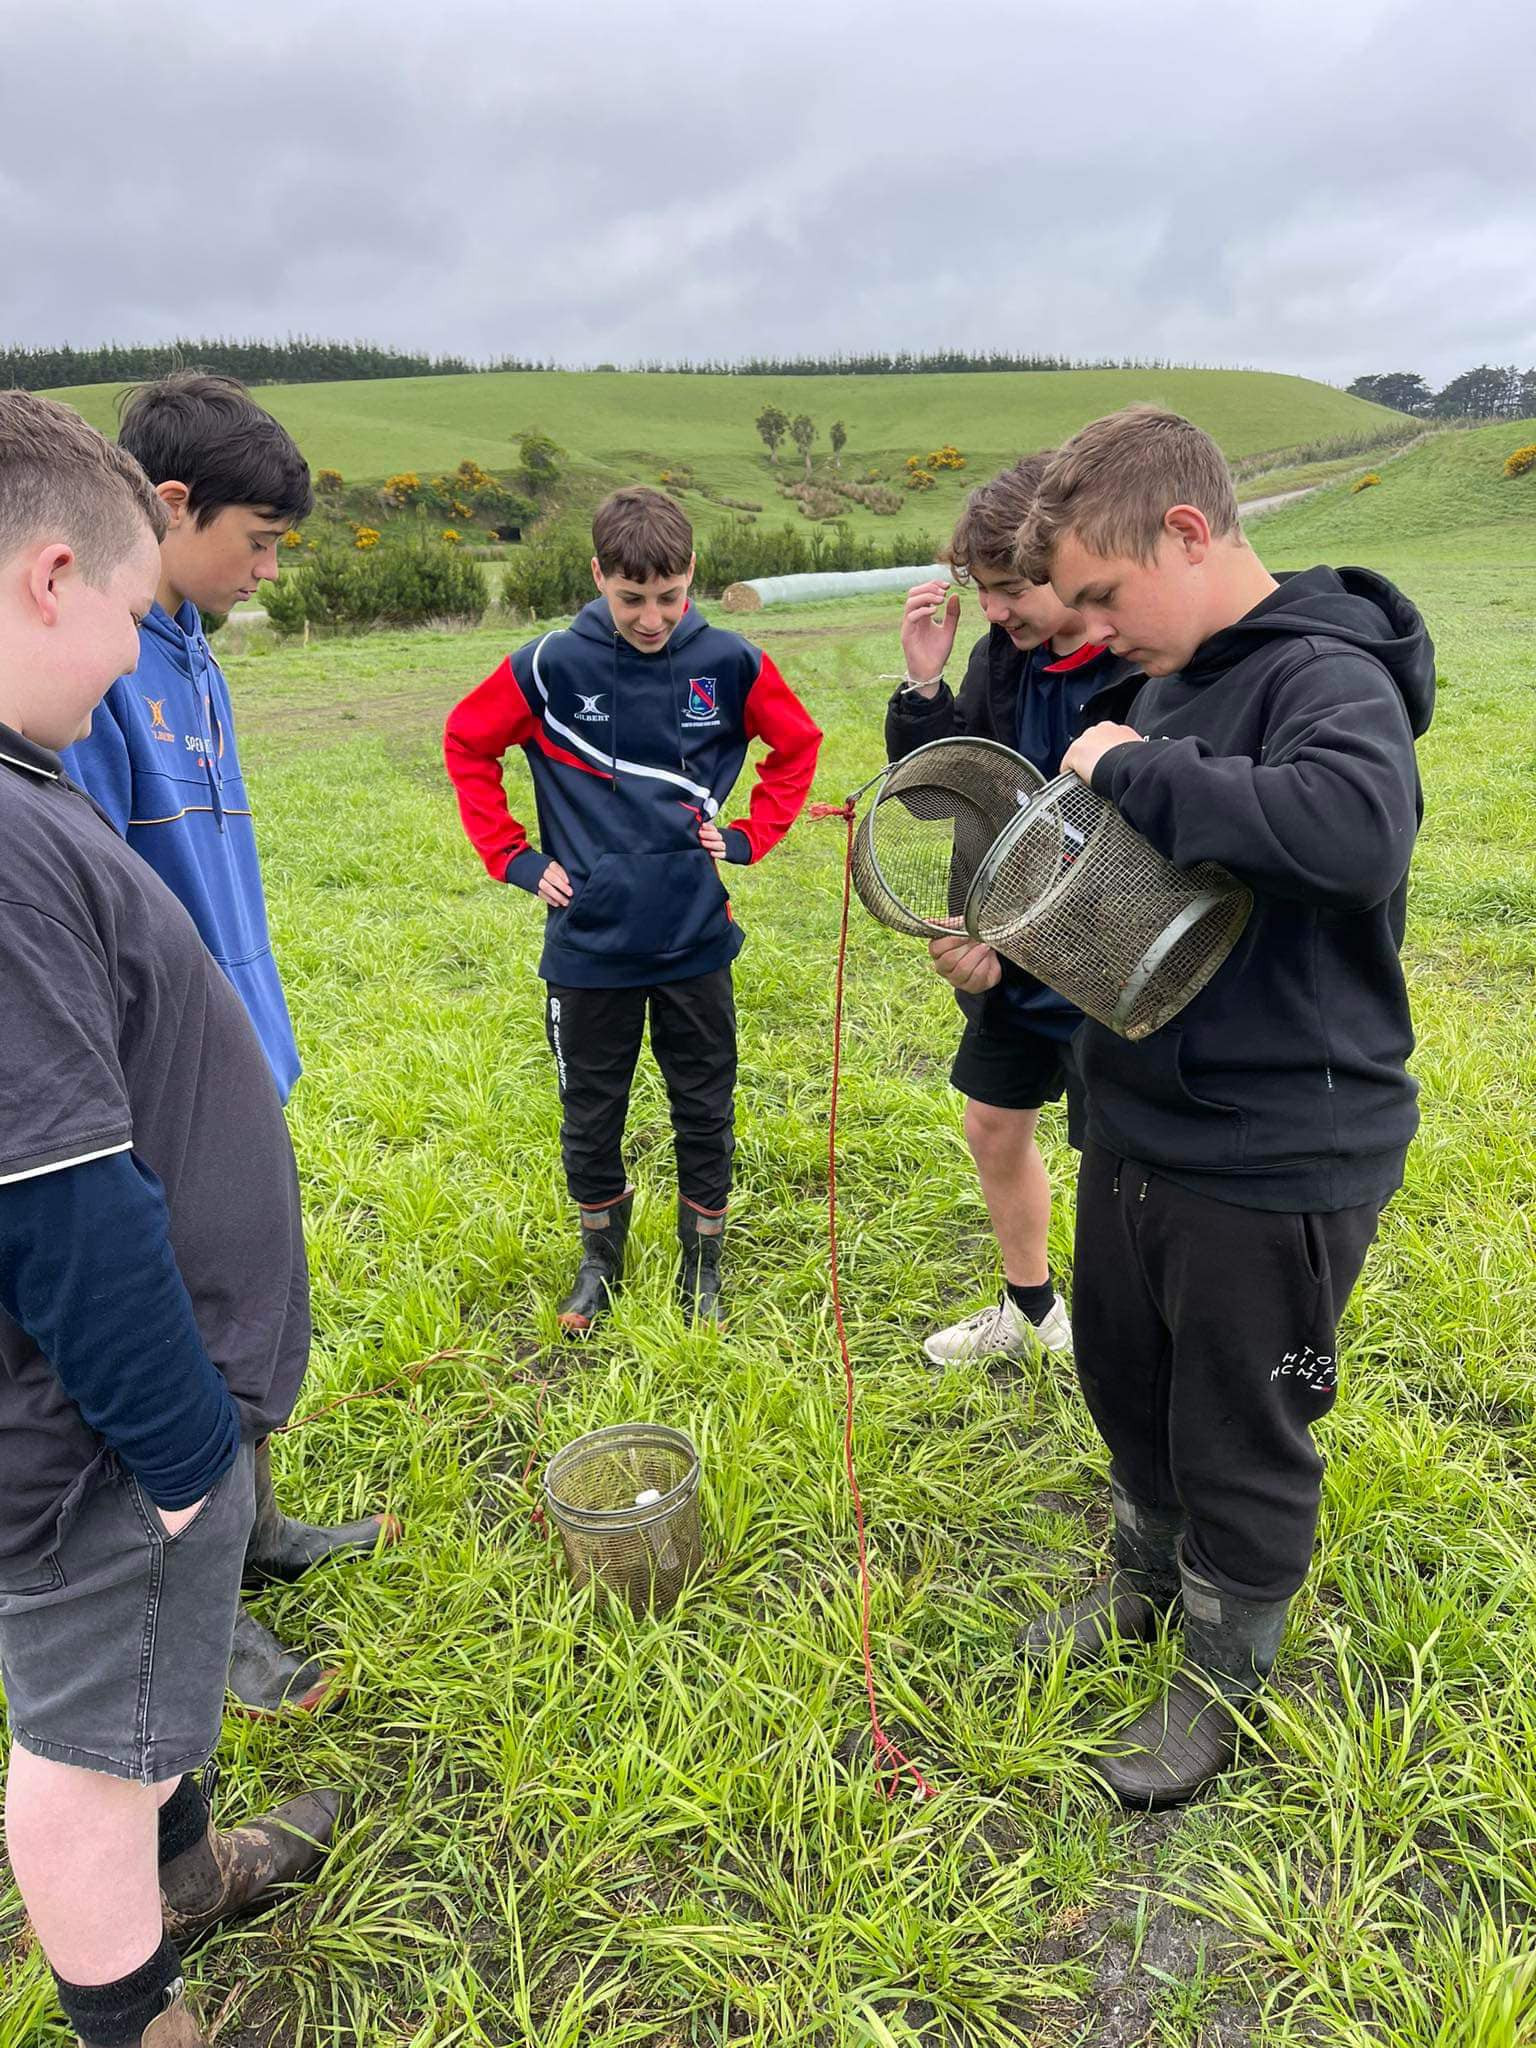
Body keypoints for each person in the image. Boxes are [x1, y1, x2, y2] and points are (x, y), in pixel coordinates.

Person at [933, 405, 1434, 1806]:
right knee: (1131, 1380)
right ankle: (1148, 1578)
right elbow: (1130, 912)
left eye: (1101, 594)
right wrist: (1009, 944)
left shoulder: (1326, 679)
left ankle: (1223, 1671)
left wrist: (1123, 762)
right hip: (1142, 1122)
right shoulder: (1164, 692)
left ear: (1191, 532)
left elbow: (1347, 831)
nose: (1086, 628)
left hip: (1281, 1143)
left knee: (1241, 1414)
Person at [0, 391, 341, 2048]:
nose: (142, 665)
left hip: (131, 1419)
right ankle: (139, 2021)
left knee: (150, 1690)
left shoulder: (27, 785)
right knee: (83, 1748)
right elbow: (54, 1192)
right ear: (49, 575)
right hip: (95, 1437)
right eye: (136, 622)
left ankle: (190, 1866)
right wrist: (185, 1445)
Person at [62, 372, 398, 1722]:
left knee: (244, 1318)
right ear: (173, 504)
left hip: (235, 1048)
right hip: (151, 1077)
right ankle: (193, 1623)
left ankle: (256, 1536)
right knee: (176, 1347)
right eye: (257, 541)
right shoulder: (95, 656)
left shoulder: (191, 644)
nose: (267, 569)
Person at [445, 486, 822, 1329]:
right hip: (588, 948)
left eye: (669, 597)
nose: (652, 618)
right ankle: (598, 1263)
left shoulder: (731, 662)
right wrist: (511, 854)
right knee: (592, 1109)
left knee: (705, 1103)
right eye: (630, 599)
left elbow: (797, 743)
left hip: (695, 939)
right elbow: (467, 741)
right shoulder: (548, 665)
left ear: (692, 578)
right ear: (598, 578)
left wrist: (757, 833)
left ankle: (703, 1266)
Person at [885, 454, 1136, 1367]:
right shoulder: (1003, 661)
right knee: (993, 1122)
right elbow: (943, 799)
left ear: (1073, 559)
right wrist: (925, 692)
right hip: (1010, 964)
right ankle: (1030, 1312)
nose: (993, 611)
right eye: (982, 590)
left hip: (1115, 973)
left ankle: (1127, 1341)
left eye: (1009, 588)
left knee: (1121, 1168)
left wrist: (1024, 925)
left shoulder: (1140, 664)